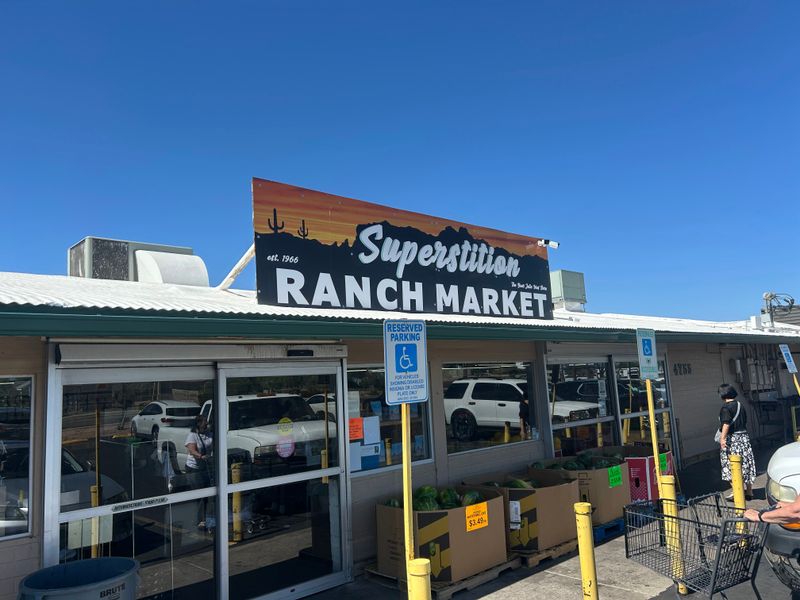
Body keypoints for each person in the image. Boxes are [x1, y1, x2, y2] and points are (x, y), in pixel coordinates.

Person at [717, 383, 755, 501]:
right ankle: (749, 491)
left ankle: (737, 492)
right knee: (746, 463)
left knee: (729, 465)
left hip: (732, 440)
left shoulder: (725, 408)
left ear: (723, 394)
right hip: (744, 438)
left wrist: (722, 439)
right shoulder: (740, 405)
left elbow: (726, 424)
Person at [185, 414, 213, 527]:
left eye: (206, 422)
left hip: (205, 467)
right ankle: (198, 519)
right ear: (198, 424)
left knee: (206, 494)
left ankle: (204, 517)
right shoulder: (192, 435)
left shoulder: (209, 434)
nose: (206, 423)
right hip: (194, 468)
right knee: (199, 494)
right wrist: (200, 456)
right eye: (204, 422)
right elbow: (192, 450)